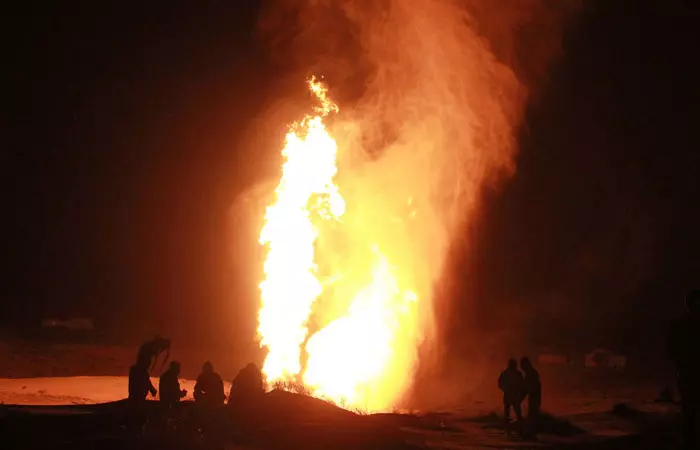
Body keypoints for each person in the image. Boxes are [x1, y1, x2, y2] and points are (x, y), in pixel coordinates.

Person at [668, 289, 700, 449]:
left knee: (689, 409)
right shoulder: (681, 325)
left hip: (687, 372)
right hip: (689, 372)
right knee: (690, 409)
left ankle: (689, 442)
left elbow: (671, 350)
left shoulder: (678, 325)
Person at [498, 358, 525, 425]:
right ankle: (515, 424)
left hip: (513, 396)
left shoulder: (507, 373)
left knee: (513, 413)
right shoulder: (507, 373)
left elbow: (522, 384)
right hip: (511, 396)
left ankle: (513, 423)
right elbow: (500, 384)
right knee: (511, 413)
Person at [520, 357, 542, 438]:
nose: (521, 368)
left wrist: (522, 397)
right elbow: (525, 388)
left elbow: (531, 387)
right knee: (531, 414)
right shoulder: (529, 374)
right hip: (533, 398)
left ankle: (531, 433)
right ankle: (531, 433)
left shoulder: (533, 374)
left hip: (535, 398)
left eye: (522, 366)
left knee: (532, 414)